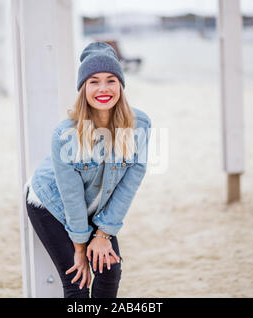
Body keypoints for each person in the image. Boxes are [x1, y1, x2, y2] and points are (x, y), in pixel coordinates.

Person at [24, 42, 152, 298]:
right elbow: (70, 196)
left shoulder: (140, 125)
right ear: (83, 89)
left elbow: (130, 184)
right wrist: (80, 247)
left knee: (109, 269)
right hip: (51, 203)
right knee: (78, 281)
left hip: (96, 207)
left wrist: (103, 234)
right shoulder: (65, 134)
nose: (103, 89)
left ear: (121, 86)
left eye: (110, 80)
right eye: (93, 81)